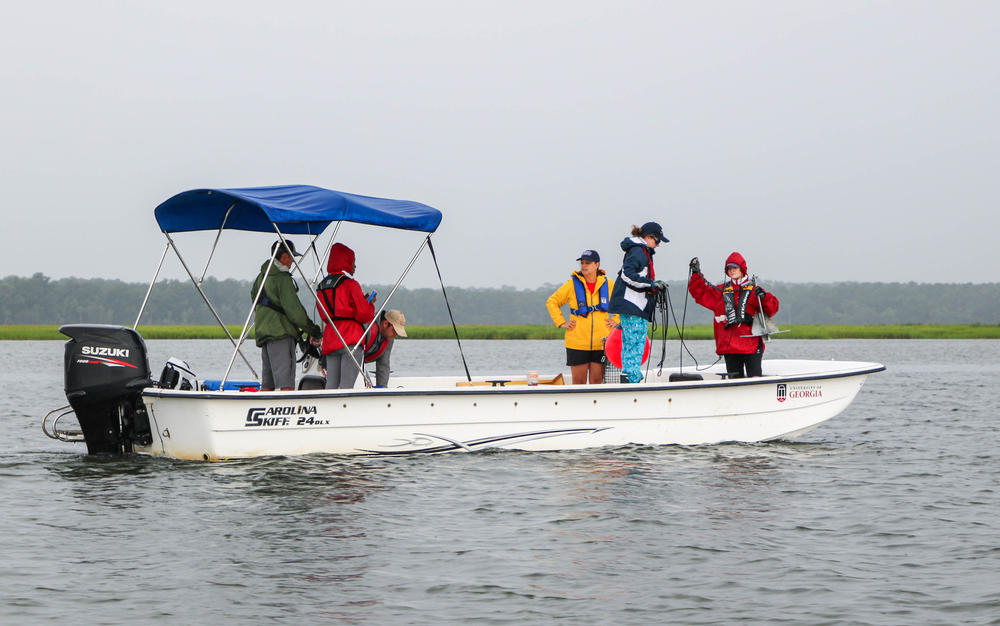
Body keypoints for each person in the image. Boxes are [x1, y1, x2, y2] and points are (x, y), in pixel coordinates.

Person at [688, 252, 780, 378]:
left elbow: (772, 309)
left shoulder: (755, 290)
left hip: (751, 345)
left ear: (742, 269)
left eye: (734, 268)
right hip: (730, 347)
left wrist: (764, 297)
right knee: (734, 384)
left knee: (755, 380)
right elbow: (699, 293)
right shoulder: (720, 291)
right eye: (729, 269)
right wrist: (696, 274)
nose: (731, 271)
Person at [251, 239, 322, 391]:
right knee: (286, 384)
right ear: (283, 257)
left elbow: (254, 299)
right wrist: (314, 331)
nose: (292, 262)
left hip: (264, 335)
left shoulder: (261, 277)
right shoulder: (282, 279)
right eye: (291, 257)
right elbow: (295, 312)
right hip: (281, 334)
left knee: (267, 384)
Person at [545, 250, 618, 384]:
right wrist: (561, 322)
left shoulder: (609, 284)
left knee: (597, 381)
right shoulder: (572, 284)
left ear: (597, 264)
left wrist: (616, 320)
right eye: (582, 263)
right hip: (577, 343)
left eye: (588, 263)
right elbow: (552, 302)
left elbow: (623, 303)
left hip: (601, 343)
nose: (584, 266)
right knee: (578, 382)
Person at [608, 222, 668, 383]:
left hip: (632, 305)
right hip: (632, 304)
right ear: (648, 237)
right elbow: (627, 275)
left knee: (631, 342)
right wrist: (651, 284)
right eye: (657, 241)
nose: (658, 245)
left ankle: (628, 376)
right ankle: (632, 379)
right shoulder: (638, 251)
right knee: (636, 342)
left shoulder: (640, 251)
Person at [316, 243, 375, 389]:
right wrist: (370, 303)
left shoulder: (321, 286)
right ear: (345, 261)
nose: (355, 266)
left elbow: (324, 316)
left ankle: (328, 410)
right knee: (346, 385)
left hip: (331, 339)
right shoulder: (351, 284)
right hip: (351, 339)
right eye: (353, 261)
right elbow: (364, 314)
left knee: (331, 385)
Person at [360, 309, 407, 387]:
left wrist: (382, 389)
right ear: (385, 324)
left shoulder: (389, 338)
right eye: (395, 330)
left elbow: (383, 365)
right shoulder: (367, 327)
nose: (396, 334)